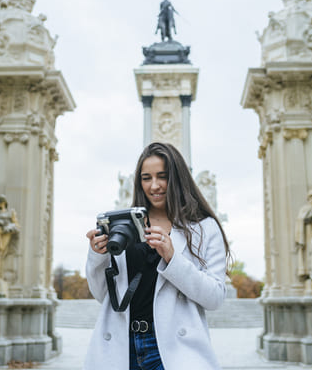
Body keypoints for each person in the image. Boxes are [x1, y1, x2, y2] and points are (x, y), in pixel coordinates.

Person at [84, 142, 231, 370]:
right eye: (146, 178)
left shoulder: (204, 227)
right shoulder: (123, 224)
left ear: (178, 178)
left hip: (173, 350)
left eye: (162, 176)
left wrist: (173, 258)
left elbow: (214, 297)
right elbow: (103, 295)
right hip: (121, 348)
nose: (154, 186)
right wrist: (97, 256)